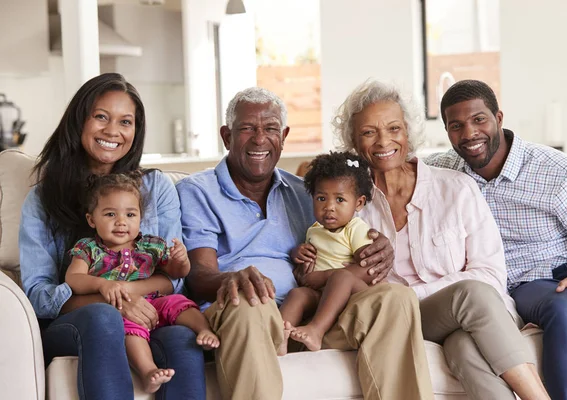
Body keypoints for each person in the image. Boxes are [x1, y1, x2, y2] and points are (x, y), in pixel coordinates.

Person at [177, 87, 435, 400]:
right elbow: (199, 274)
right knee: (248, 300)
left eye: (270, 128)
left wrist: (379, 251)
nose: (260, 139)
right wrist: (232, 278)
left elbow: (339, 244)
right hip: (247, 319)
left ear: (283, 136)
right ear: (227, 136)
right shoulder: (198, 191)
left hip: (310, 320)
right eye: (247, 128)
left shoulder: (306, 192)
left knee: (395, 297)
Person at [335, 80, 549, 400]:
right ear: (353, 140)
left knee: (464, 346)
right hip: (407, 319)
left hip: (468, 315)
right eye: (368, 132)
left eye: (394, 128)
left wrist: (413, 291)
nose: (383, 141)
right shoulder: (347, 207)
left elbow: (490, 275)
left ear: (408, 132)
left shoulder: (456, 188)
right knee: (470, 294)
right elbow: (344, 284)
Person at [19, 73, 206, 400]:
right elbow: (39, 296)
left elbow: (173, 280)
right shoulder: (44, 198)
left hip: (146, 312)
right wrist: (112, 301)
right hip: (76, 323)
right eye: (101, 117)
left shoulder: (155, 188)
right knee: (104, 316)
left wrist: (127, 295)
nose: (112, 131)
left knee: (179, 336)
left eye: (125, 121)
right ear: (79, 121)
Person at [426, 79, 567, 400]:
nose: (469, 134)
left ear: (499, 118)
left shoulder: (557, 172)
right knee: (463, 344)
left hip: (545, 279)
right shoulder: (440, 172)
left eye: (479, 120)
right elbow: (383, 175)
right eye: (456, 126)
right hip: (485, 295)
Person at [65, 172, 219, 393]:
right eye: (110, 214)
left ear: (140, 218)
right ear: (92, 219)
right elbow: (73, 278)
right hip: (122, 309)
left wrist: (181, 260)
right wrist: (101, 285)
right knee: (129, 327)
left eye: (130, 214)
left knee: (178, 301)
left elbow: (176, 273)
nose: (121, 222)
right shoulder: (88, 249)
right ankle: (148, 371)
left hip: (153, 301)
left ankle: (204, 330)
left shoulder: (150, 245)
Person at [279, 151, 374, 353]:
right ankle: (278, 337)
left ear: (358, 203)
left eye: (340, 200)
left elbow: (369, 268)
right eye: (321, 198)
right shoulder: (314, 230)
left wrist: (323, 277)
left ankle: (316, 331)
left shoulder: (355, 228)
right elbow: (313, 260)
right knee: (297, 295)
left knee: (341, 277)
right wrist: (299, 254)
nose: (329, 207)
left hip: (353, 293)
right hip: (321, 294)